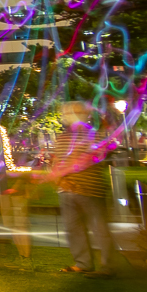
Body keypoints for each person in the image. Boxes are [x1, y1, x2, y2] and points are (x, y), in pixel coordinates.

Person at [46, 101, 111, 276]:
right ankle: (83, 263)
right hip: (67, 190)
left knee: (99, 229)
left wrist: (65, 171)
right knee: (73, 228)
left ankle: (108, 266)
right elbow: (58, 160)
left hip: (89, 188)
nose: (65, 116)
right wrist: (57, 177)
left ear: (82, 114)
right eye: (64, 113)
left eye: (69, 112)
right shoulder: (63, 136)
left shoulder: (93, 135)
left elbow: (91, 158)